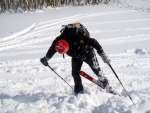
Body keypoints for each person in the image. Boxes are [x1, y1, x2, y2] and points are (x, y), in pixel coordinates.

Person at [40, 22, 112, 94]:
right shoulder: (58, 41)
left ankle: (105, 83)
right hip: (76, 56)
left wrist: (102, 55)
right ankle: (79, 90)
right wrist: (46, 59)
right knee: (75, 73)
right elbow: (52, 50)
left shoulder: (78, 38)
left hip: (88, 53)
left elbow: (94, 42)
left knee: (97, 70)